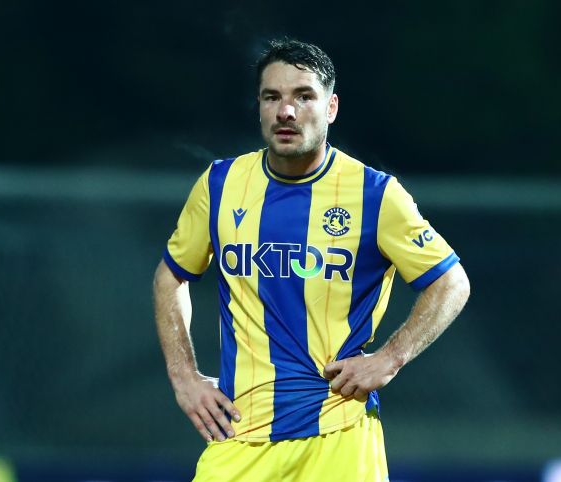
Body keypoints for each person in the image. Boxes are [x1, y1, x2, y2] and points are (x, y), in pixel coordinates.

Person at [153, 38, 470, 482]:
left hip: (340, 436)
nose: (286, 111)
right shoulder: (221, 185)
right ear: (259, 107)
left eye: (303, 96)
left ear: (331, 107)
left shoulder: (374, 194)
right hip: (240, 437)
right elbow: (171, 277)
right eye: (272, 97)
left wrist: (391, 358)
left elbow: (451, 282)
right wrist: (183, 376)